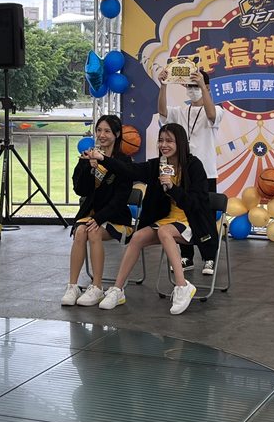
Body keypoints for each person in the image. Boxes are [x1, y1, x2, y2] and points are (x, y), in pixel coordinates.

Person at [90, 123, 217, 315]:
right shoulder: (157, 165)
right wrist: (103, 159)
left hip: (193, 222)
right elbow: (129, 170)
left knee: (165, 231)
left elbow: (196, 203)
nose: (164, 145)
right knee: (137, 237)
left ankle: (182, 286)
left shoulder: (194, 166)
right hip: (167, 221)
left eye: (169, 141)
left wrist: (173, 188)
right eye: (161, 140)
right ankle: (118, 289)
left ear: (180, 143)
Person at [61, 115, 133, 307]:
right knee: (80, 231)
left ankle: (97, 286)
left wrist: (99, 218)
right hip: (90, 214)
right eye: (99, 130)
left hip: (115, 217)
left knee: (93, 231)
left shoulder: (123, 161)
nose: (102, 135)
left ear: (117, 134)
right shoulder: (88, 155)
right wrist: (88, 167)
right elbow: (80, 190)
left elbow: (121, 198)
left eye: (107, 131)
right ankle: (73, 286)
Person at [158, 67, 223, 275]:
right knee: (182, 212)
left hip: (206, 173)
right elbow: (163, 113)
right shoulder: (180, 111)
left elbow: (211, 115)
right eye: (189, 86)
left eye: (196, 86)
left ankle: (209, 258)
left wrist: (202, 86)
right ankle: (186, 256)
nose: (192, 89)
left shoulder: (215, 109)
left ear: (207, 87)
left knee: (205, 217)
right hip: (183, 172)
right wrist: (163, 86)